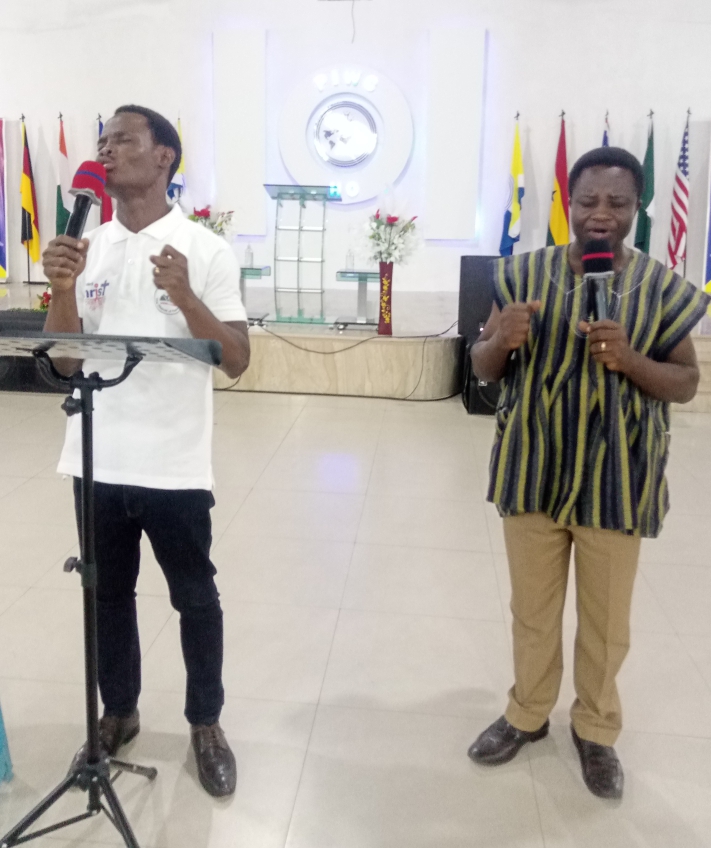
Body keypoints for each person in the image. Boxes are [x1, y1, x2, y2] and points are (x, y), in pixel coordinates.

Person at [467, 146, 709, 799]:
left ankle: (596, 730)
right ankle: (526, 714)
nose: (601, 214)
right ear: (567, 204)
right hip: (532, 472)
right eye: (587, 201)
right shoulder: (520, 276)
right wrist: (498, 341)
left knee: (605, 623)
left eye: (617, 202)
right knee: (532, 612)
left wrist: (631, 360)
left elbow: (686, 383)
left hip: (616, 479)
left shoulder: (658, 287)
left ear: (637, 209)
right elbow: (482, 367)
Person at [42, 105, 250, 798]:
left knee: (194, 597)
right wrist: (62, 289)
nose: (107, 150)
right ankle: (119, 712)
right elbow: (66, 361)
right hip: (96, 456)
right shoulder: (86, 246)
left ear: (164, 157)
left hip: (173, 461)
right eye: (103, 141)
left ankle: (206, 722)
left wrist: (185, 297)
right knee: (107, 595)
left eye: (123, 140)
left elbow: (237, 359)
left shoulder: (204, 249)